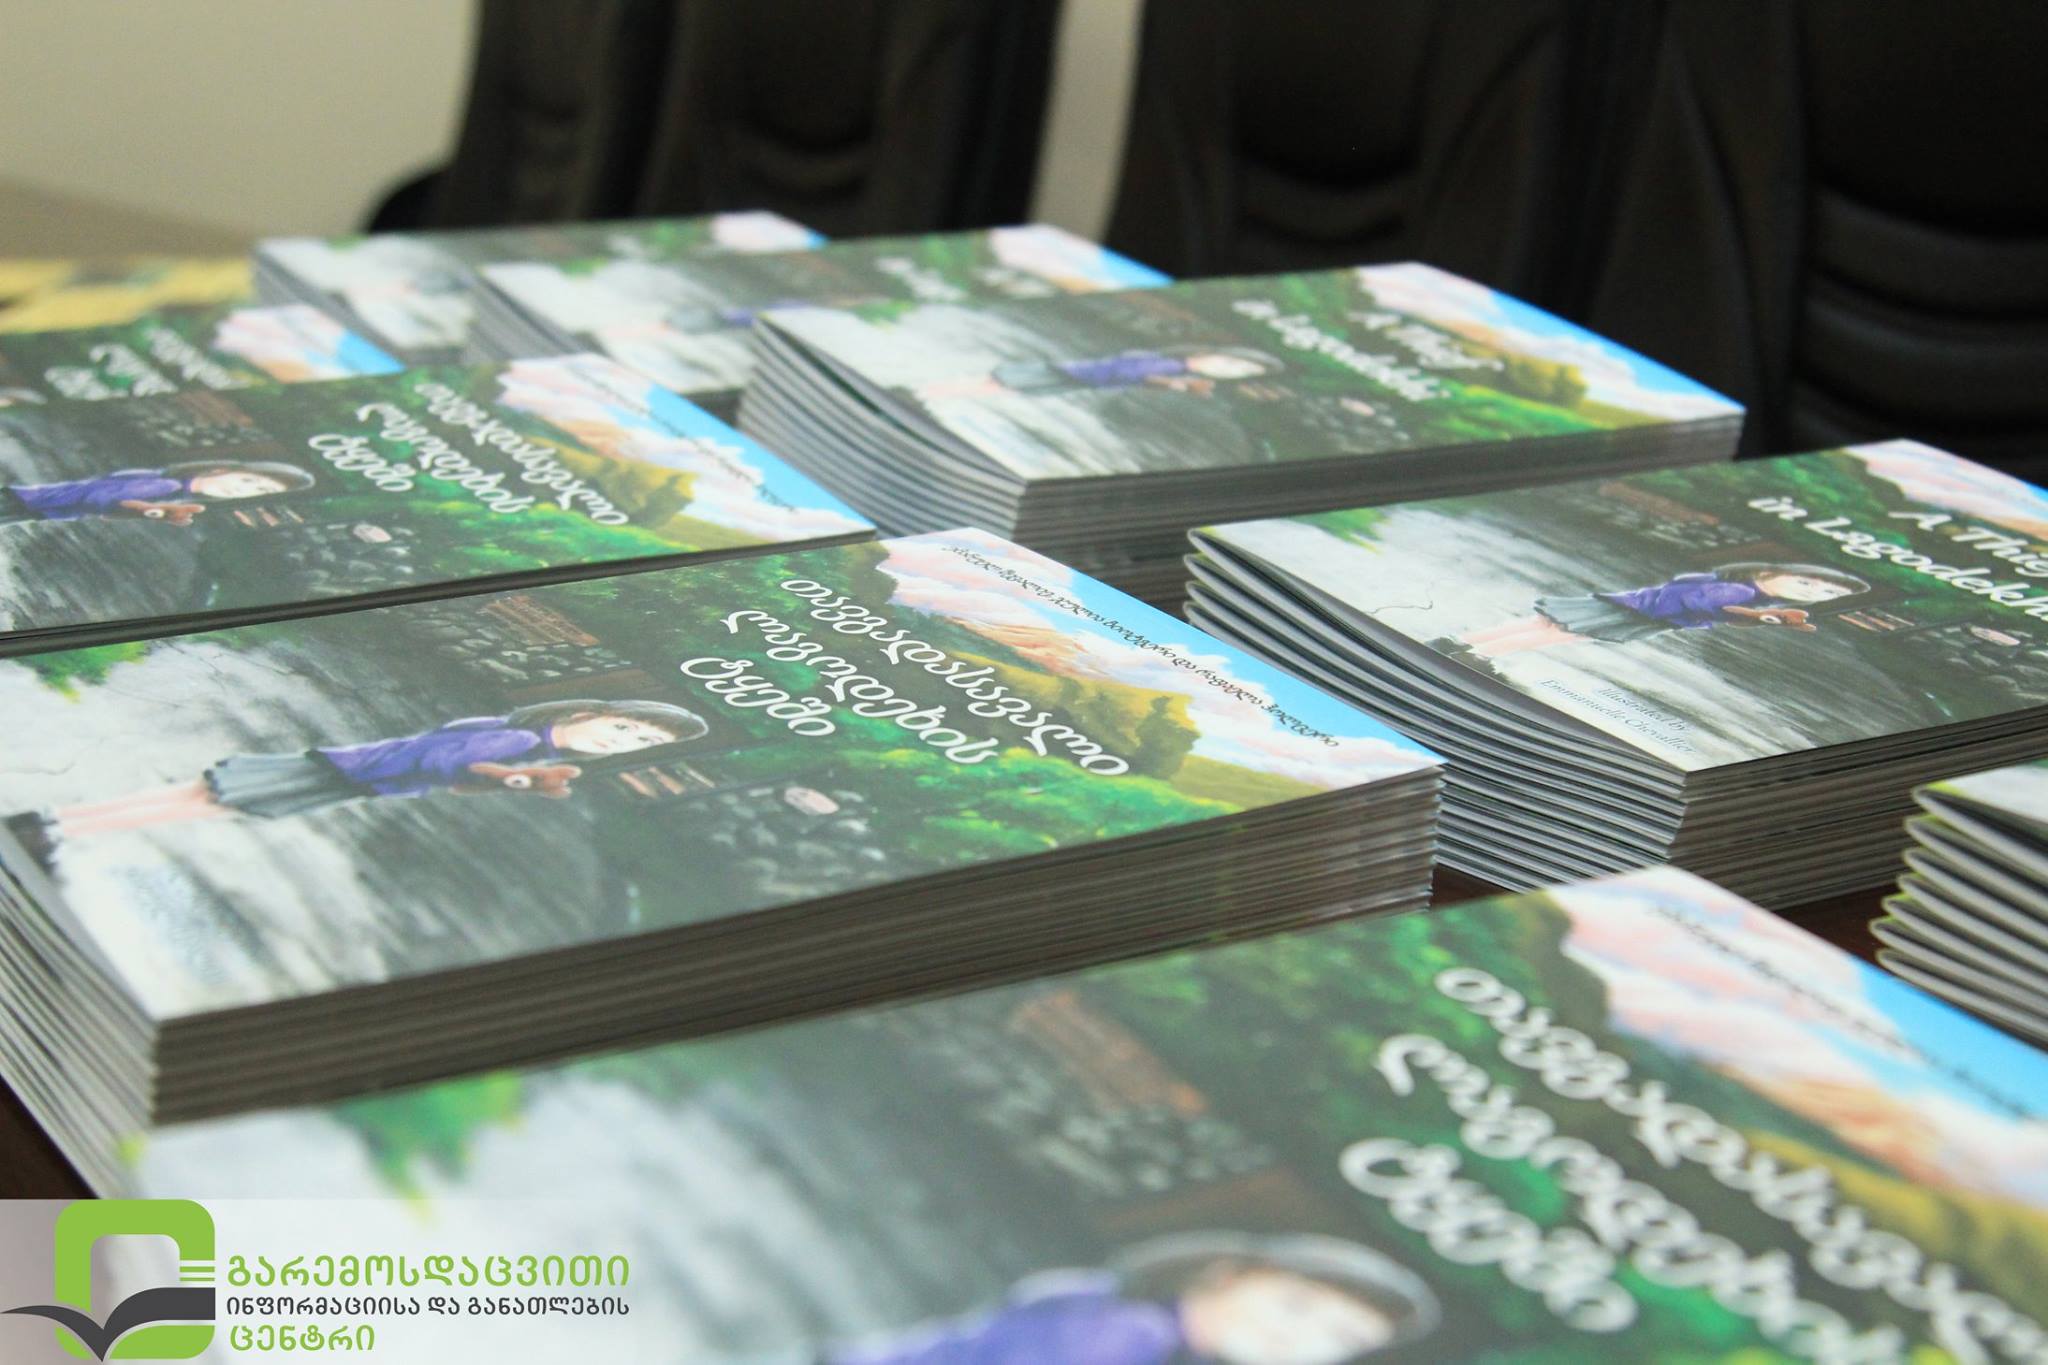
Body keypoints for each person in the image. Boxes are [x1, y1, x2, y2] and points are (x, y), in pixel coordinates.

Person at [16, 700, 708, 853]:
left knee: (208, 797)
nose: (620, 742)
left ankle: (60, 823)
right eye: (625, 727)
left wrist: (501, 777)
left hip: (353, 771)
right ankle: (59, 826)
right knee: (209, 802)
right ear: (588, 713)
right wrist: (503, 775)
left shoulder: (518, 738)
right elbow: (442, 762)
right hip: (354, 774)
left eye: (640, 744)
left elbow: (449, 762)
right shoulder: (522, 738)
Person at [826, 1231, 1438, 1365]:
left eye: (1341, 1340)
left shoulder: (1155, 1337)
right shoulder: (1122, 1331)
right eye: (1297, 1306)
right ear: (1227, 1274)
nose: (1301, 1339)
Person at [1458, 562, 1871, 660]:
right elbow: (1700, 603)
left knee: (1550, 626)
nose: (1811, 591)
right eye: (1806, 582)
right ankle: (1475, 650)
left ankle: (1468, 644)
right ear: (1769, 572)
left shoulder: (1758, 599)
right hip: (1637, 611)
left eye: (1825, 593)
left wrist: (1765, 617)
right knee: (1555, 631)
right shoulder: (1740, 590)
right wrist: (1756, 617)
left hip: (1638, 608)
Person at [0, 459, 316, 526]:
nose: (239, 489)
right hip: (25, 502)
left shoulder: (174, 491)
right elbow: (102, 498)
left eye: (259, 492)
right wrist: (143, 510)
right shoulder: (168, 486)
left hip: (37, 507)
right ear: (220, 469)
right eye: (248, 480)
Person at [916, 346, 1283, 403]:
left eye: (1237, 373)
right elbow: (1141, 375)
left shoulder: (1173, 366)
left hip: (1073, 378)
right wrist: (1181, 386)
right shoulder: (1169, 365)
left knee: (1003, 387)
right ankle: (931, 392)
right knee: (996, 384)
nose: (1225, 371)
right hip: (1069, 373)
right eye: (1229, 363)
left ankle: (935, 393)